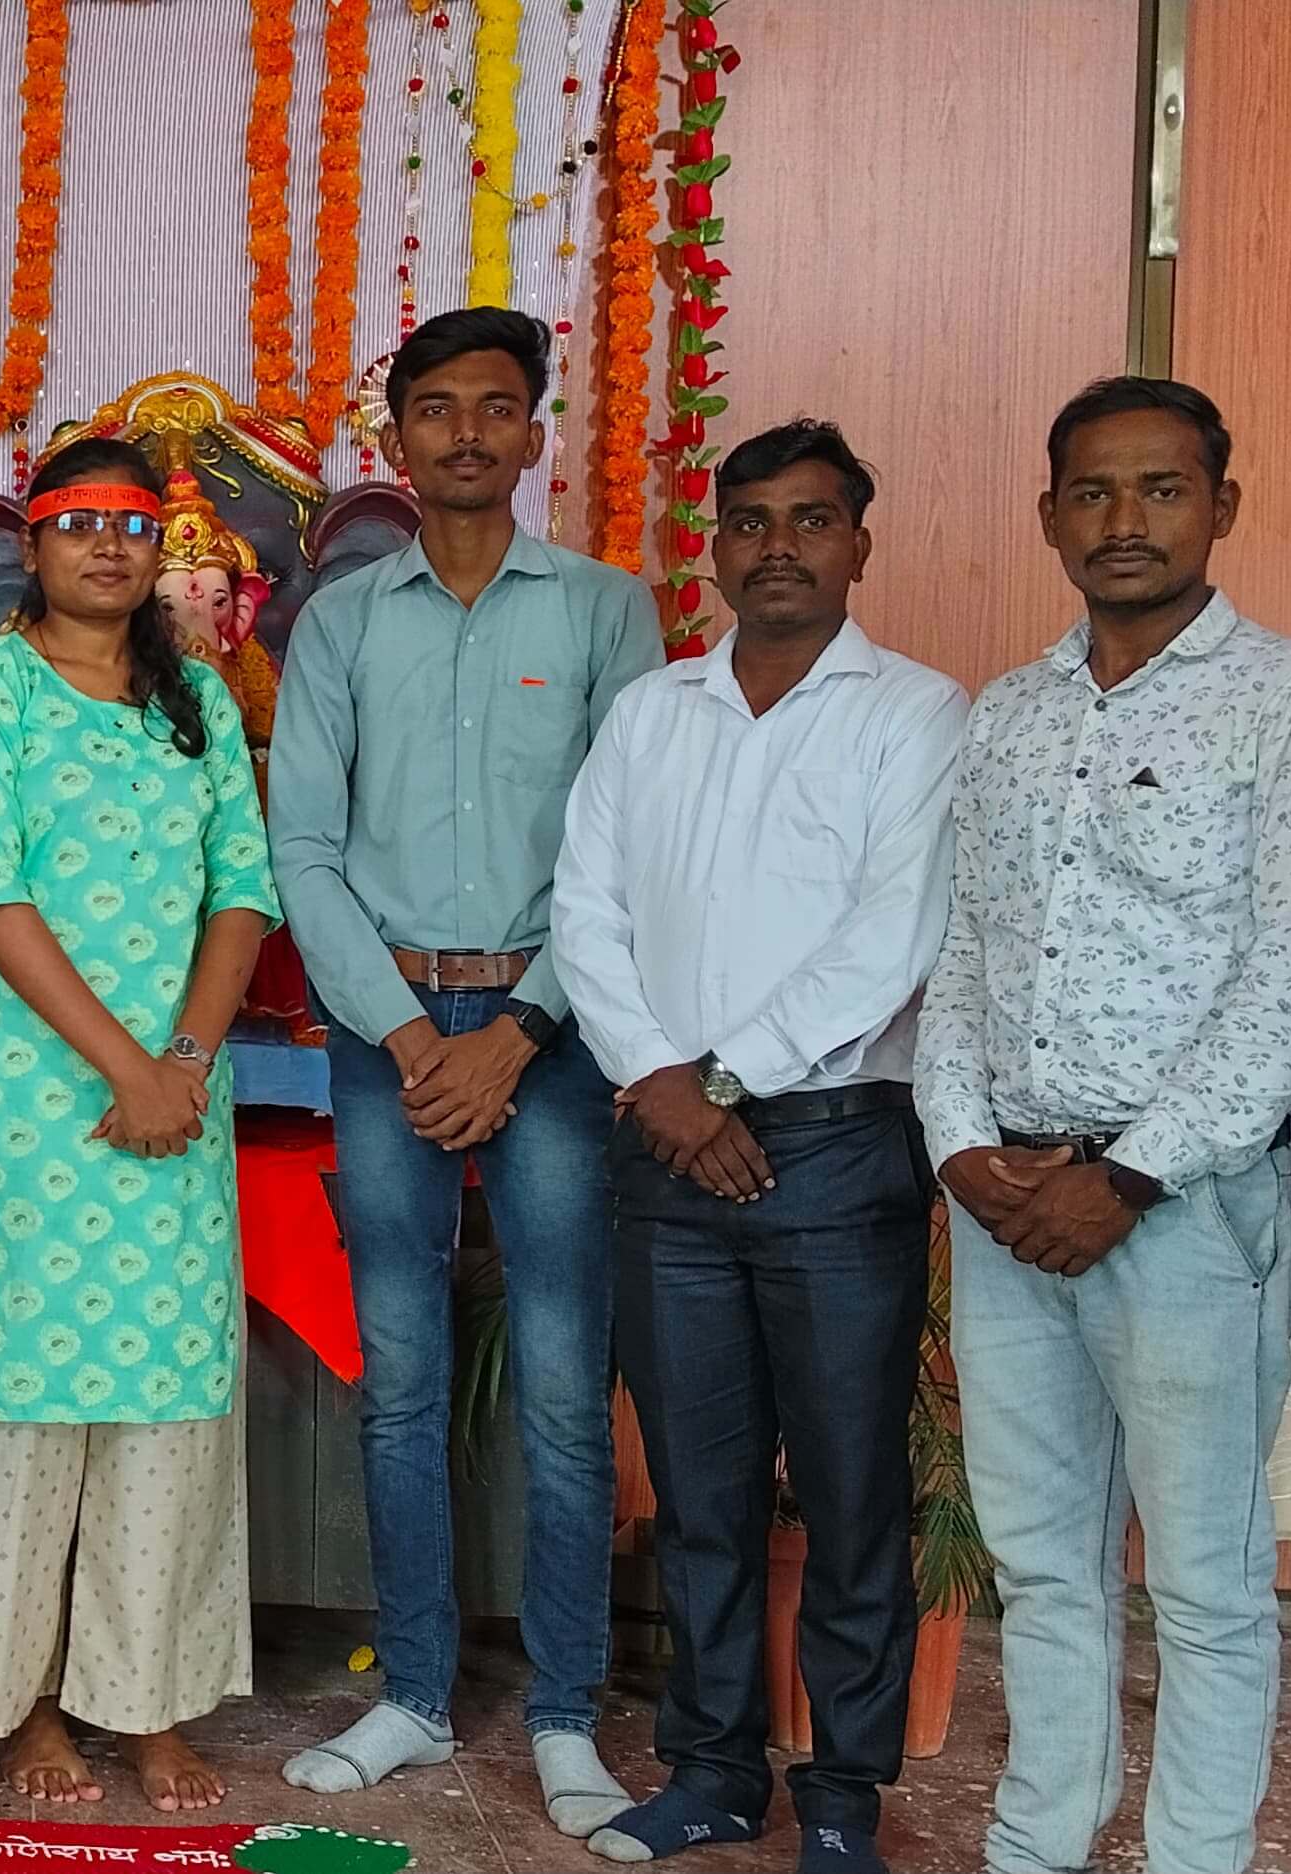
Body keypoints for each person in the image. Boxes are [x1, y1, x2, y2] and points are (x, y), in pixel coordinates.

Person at [919, 376, 1291, 1874]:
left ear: (1220, 507)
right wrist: (958, 1148)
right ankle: (1035, 1845)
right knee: (1042, 1567)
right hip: (1009, 1204)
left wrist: (1127, 1174)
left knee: (1206, 1583)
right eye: (1093, 491)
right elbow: (967, 952)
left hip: (1184, 1209)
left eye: (1162, 488)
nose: (1125, 519)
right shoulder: (1009, 712)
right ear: (1048, 516)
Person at [547, 419, 967, 1874]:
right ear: (713, 546)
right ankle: (714, 1770)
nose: (776, 545)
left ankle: (840, 1794)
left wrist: (721, 1077)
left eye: (811, 518)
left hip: (836, 1148)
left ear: (860, 542)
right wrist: (662, 1083)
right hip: (665, 1148)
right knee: (701, 1490)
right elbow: (584, 907)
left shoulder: (917, 713)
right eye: (749, 520)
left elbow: (896, 933)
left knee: (849, 1493)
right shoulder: (650, 713)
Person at [263, 305, 652, 1826]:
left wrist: (521, 1032)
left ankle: (563, 1709)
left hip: (554, 1036)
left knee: (561, 1384)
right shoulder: (343, 621)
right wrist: (416, 1034)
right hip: (391, 1038)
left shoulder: (606, 612)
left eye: (496, 406)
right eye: (437, 409)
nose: (468, 433)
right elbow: (303, 846)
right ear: (398, 438)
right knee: (401, 1378)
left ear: (534, 433)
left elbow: (624, 852)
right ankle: (416, 1694)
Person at [0, 436, 278, 1811]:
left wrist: (179, 1059)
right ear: (32, 546)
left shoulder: (196, 697)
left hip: (176, 1100)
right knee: (24, 1402)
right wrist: (125, 1067)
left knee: (165, 1401)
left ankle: (149, 1702)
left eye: (134, 524)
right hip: (31, 1103)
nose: (110, 545)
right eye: (79, 523)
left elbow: (241, 887)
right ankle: (21, 1703)